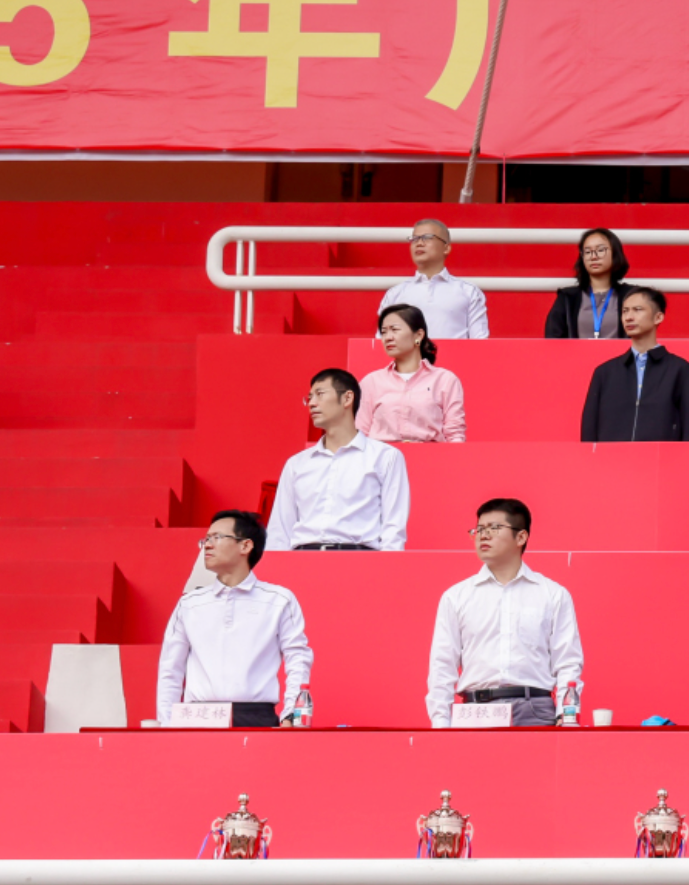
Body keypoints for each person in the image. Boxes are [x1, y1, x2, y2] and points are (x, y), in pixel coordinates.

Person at [425, 499, 584, 728]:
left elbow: (568, 661)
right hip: (475, 711)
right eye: (479, 529)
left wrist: (567, 716)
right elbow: (442, 665)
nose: (483, 535)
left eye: (494, 528)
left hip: (535, 710)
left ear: (521, 537)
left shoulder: (553, 594)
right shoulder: (456, 596)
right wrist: (440, 723)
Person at [157, 510, 313, 727]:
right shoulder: (190, 604)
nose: (207, 545)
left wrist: (291, 717)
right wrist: (166, 725)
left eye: (217, 537)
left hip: (256, 716)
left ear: (245, 546)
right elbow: (170, 669)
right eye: (206, 539)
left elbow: (298, 659)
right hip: (197, 718)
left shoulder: (279, 600)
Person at [267, 368, 410, 551]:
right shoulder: (296, 464)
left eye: (320, 394)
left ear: (347, 398)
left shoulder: (385, 457)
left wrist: (386, 565)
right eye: (309, 398)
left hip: (358, 557)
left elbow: (394, 529)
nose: (312, 403)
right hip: (303, 557)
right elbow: (280, 530)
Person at [579, 286, 689, 442]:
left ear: (658, 317)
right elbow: (589, 428)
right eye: (625, 311)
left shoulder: (682, 370)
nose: (628, 317)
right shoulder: (605, 372)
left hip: (662, 456)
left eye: (637, 310)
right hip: (612, 457)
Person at [358, 304, 466, 444]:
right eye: (383, 332)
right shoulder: (371, 381)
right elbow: (360, 431)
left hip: (430, 455)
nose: (387, 337)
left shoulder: (445, 380)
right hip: (383, 455)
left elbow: (455, 434)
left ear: (419, 335)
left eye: (395, 330)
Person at [378, 218, 489, 340]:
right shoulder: (395, 294)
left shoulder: (469, 291)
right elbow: (382, 342)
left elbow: (480, 341)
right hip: (410, 353)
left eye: (427, 237)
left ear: (446, 248)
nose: (419, 243)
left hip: (456, 353)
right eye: (414, 239)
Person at [545, 228, 632, 340]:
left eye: (600, 250)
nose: (593, 256)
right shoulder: (568, 298)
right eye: (587, 252)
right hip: (576, 353)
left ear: (615, 253)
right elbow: (553, 338)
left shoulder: (631, 296)